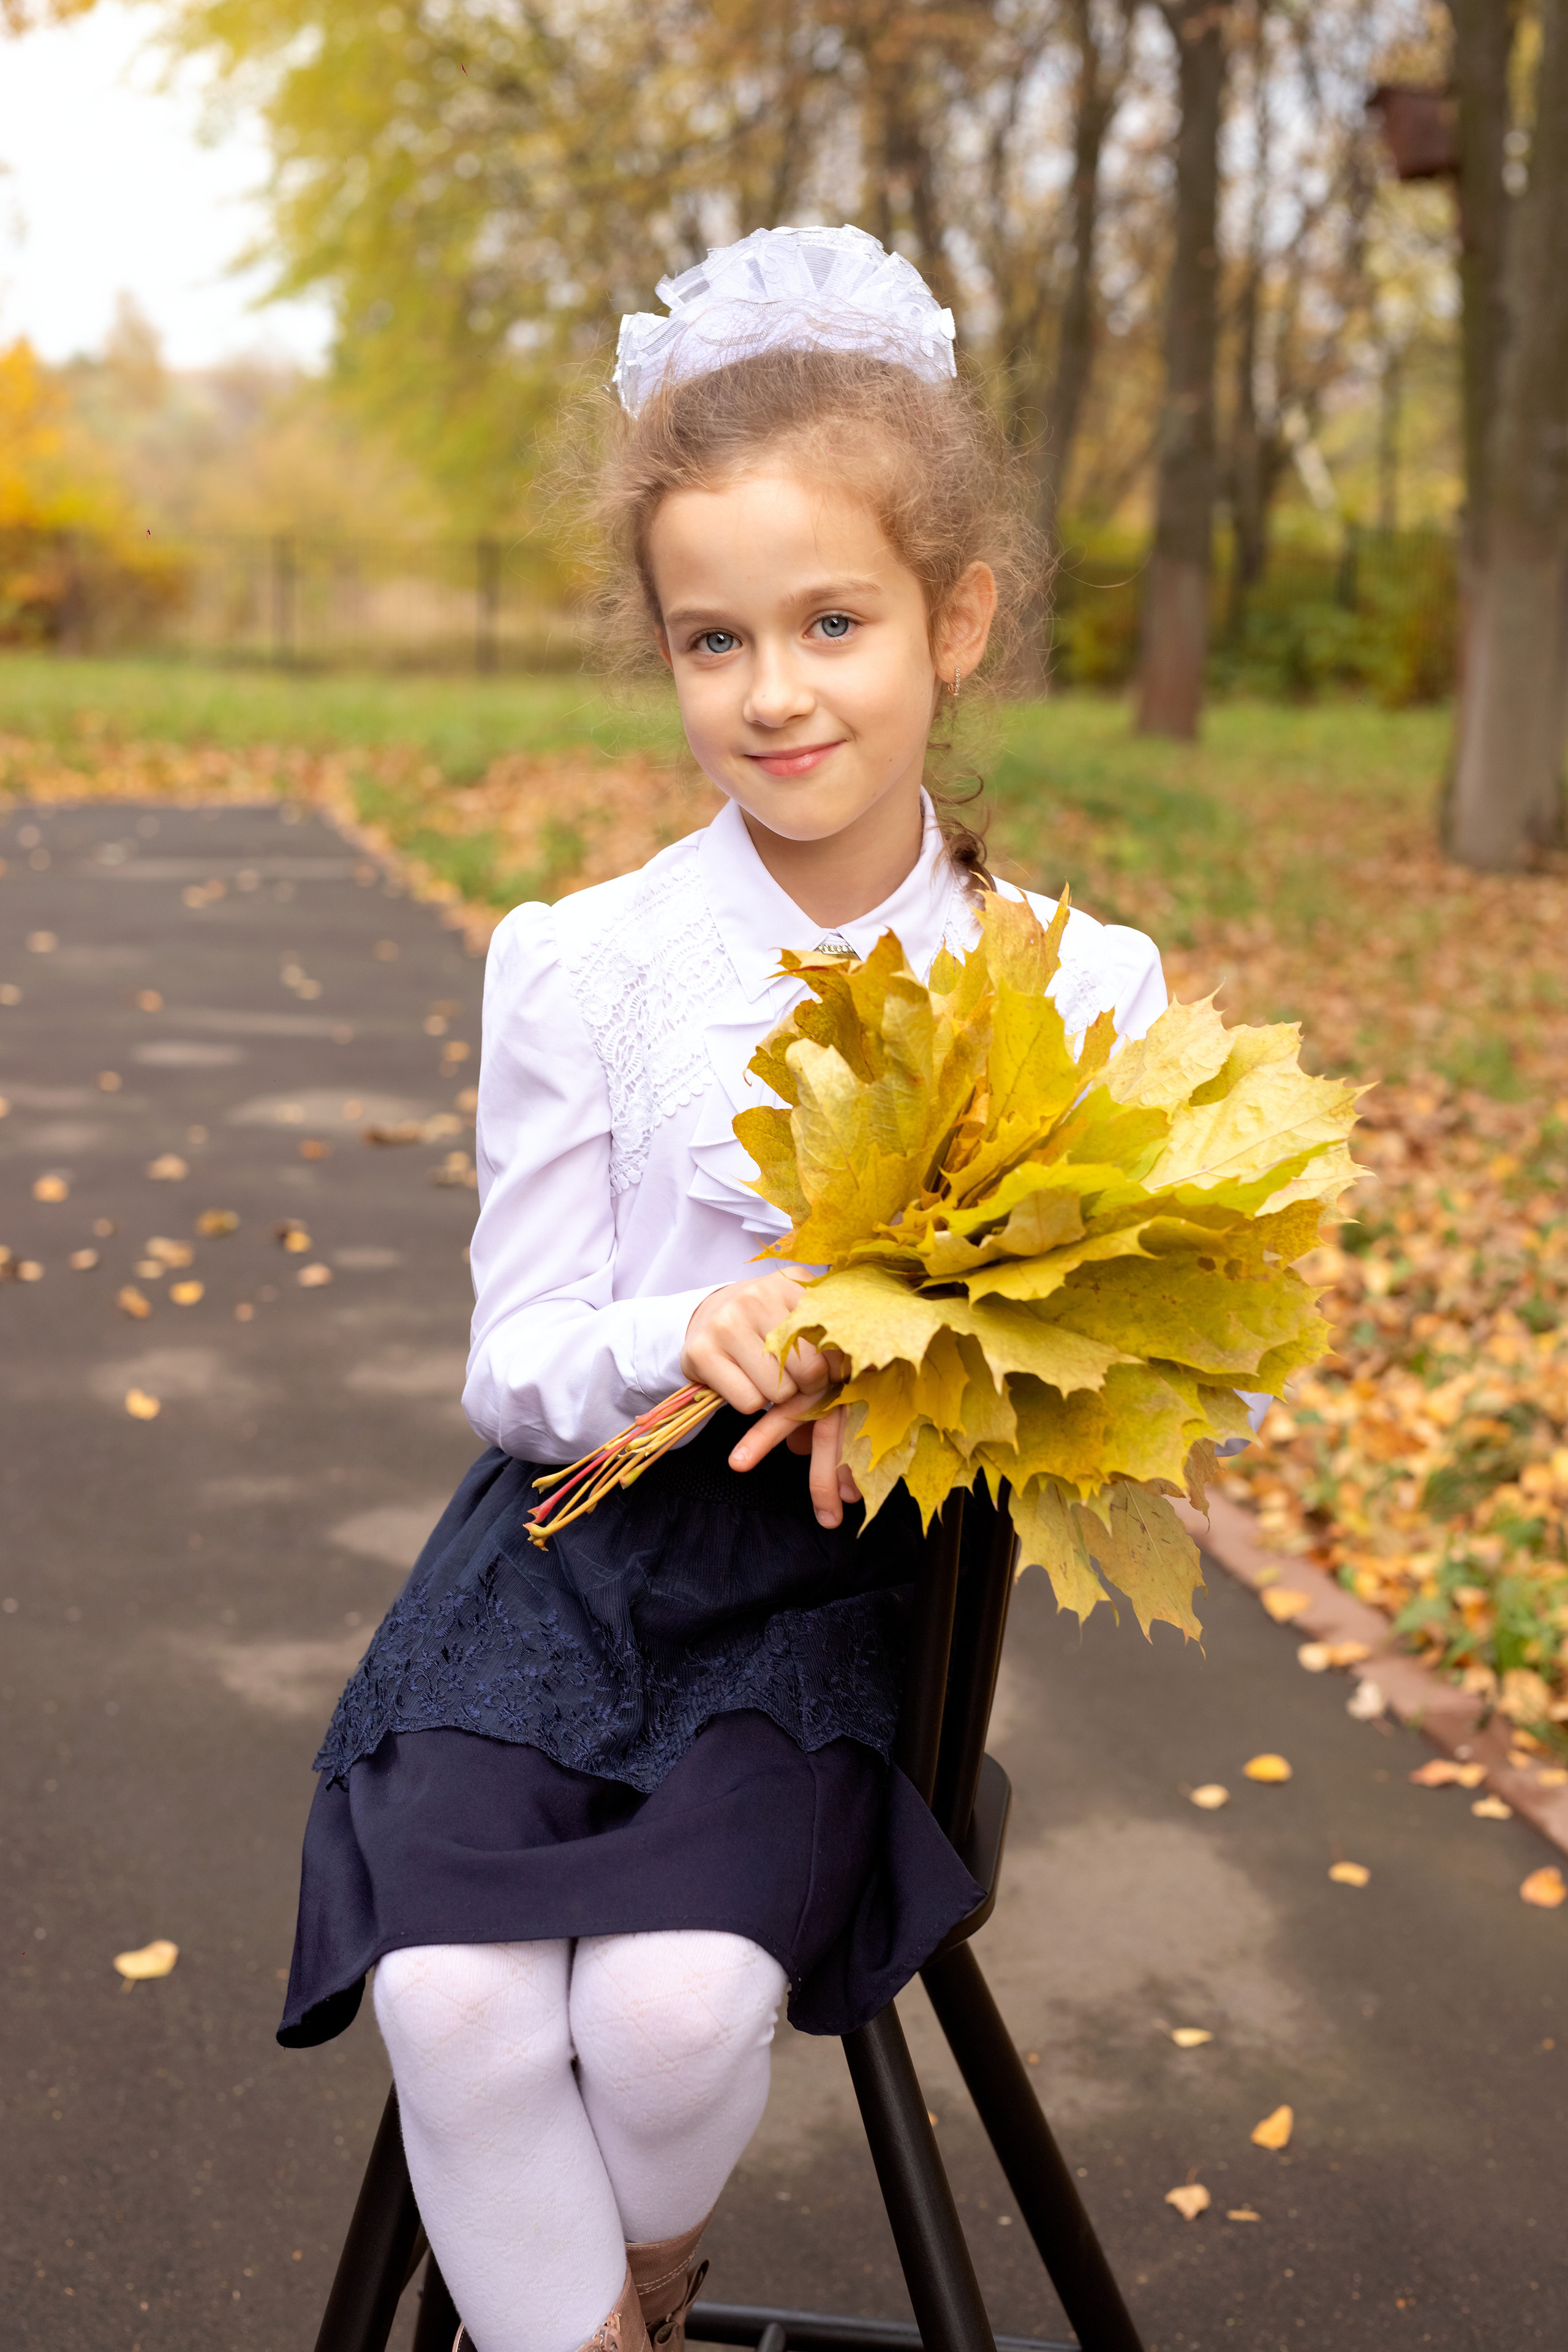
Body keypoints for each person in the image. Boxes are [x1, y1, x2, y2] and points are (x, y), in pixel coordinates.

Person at [279, 224, 1166, 2352]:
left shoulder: (1072, 979)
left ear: (956, 620)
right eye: (712, 641)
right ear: (661, 652)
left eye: (834, 622)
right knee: (457, 2001)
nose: (774, 692)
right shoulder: (577, 959)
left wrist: (942, 1388)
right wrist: (667, 1333)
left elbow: (1138, 1367)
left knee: (676, 2015)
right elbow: (510, 1363)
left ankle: (637, 2295)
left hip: (845, 1603)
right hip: (560, 1569)